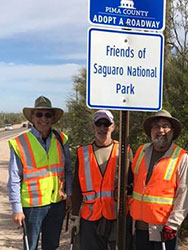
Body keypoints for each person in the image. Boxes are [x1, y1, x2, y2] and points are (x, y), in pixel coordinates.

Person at [7, 96, 73, 250]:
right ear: (32, 117)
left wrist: (69, 195)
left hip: (56, 203)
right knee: (30, 246)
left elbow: (68, 171)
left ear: (53, 119)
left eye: (48, 115)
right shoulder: (20, 143)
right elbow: (14, 178)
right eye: (39, 114)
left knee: (51, 246)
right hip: (32, 206)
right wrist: (16, 208)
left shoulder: (61, 139)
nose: (43, 119)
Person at [130, 110, 188, 250]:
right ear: (151, 131)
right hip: (139, 227)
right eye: (156, 126)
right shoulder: (141, 151)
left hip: (164, 230)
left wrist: (173, 225)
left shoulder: (181, 157)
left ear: (172, 131)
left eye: (165, 126)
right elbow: (132, 181)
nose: (160, 130)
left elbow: (184, 194)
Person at [71, 109, 133, 250]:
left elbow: (132, 183)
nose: (103, 128)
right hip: (90, 218)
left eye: (106, 124)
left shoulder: (124, 150)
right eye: (99, 124)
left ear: (113, 127)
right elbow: (76, 186)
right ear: (93, 127)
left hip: (117, 215)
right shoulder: (83, 153)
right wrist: (75, 215)